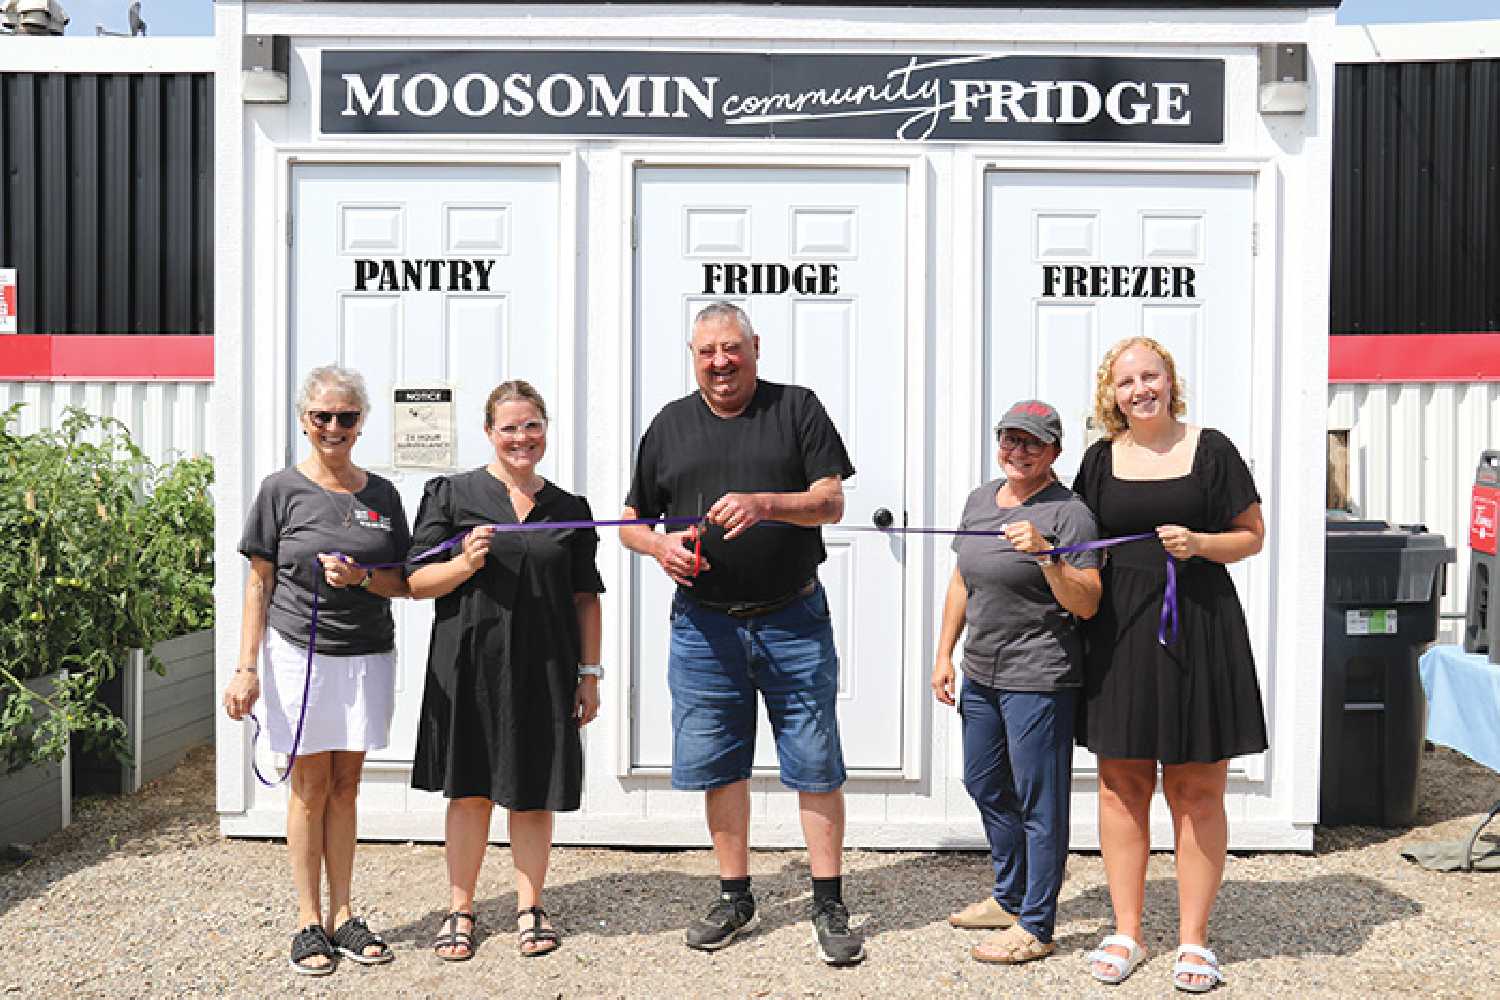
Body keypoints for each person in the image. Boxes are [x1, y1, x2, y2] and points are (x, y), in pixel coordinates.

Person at [619, 301, 865, 966]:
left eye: (733, 348)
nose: (722, 362)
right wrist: (658, 550)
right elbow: (632, 519)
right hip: (704, 628)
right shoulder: (670, 425)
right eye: (708, 352)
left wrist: (765, 502)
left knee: (814, 762)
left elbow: (831, 500)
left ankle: (828, 900)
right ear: (693, 355)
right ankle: (735, 895)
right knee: (719, 765)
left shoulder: (796, 408)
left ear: (755, 345)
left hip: (793, 618)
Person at [1073, 337, 1267, 992]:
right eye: (1126, 381)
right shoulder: (1099, 460)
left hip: (1201, 630)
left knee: (1195, 788)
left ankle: (1194, 939)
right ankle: (1127, 930)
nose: (1140, 390)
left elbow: (1252, 535)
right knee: (1122, 783)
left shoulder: (1212, 450)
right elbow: (1080, 547)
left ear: (1170, 380)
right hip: (1120, 635)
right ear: (1112, 392)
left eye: (1150, 376)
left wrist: (1202, 543)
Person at [222, 365, 411, 976]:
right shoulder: (281, 490)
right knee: (308, 789)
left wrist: (360, 577)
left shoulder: (381, 495)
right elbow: (258, 584)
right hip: (296, 656)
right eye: (322, 417)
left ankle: (345, 913)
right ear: (304, 421)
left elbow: (403, 581)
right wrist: (245, 667)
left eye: (346, 417)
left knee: (347, 787)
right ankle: (308, 920)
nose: (334, 427)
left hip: (365, 655)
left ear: (362, 423)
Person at [407, 380, 604, 961]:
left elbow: (586, 598)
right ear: (489, 433)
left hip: (544, 666)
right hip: (470, 664)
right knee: (469, 792)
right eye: (510, 428)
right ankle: (460, 908)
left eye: (532, 426)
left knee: (532, 794)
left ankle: (529, 905)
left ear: (545, 430)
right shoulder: (451, 495)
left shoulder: (570, 510)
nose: (522, 438)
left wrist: (589, 673)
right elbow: (415, 584)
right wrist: (463, 562)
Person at [932, 400, 1102, 965]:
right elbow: (963, 580)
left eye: (1032, 442)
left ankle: (1036, 923)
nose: (1018, 451)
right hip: (981, 670)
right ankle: (1010, 895)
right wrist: (943, 654)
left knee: (1040, 801)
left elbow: (1088, 602)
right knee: (983, 783)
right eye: (1009, 439)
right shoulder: (981, 499)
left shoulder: (1068, 513)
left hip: (1039, 675)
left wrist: (1050, 556)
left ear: (1054, 451)